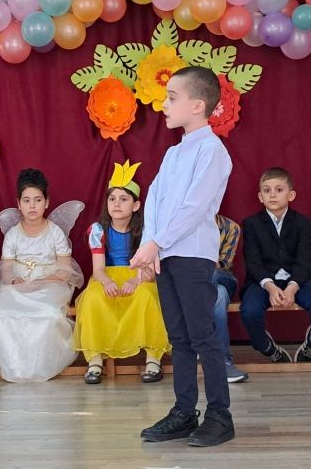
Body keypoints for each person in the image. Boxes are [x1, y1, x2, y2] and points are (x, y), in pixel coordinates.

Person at [131, 66, 235, 447]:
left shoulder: (213, 151)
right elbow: (155, 199)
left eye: (172, 97)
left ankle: (220, 415)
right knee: (179, 337)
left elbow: (195, 207)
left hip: (192, 255)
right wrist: (152, 245)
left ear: (198, 105)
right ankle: (184, 411)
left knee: (202, 335)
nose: (164, 104)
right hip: (166, 255)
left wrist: (157, 243)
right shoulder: (173, 153)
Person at [0, 168, 84, 383]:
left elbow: (64, 269)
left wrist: (44, 281)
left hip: (51, 283)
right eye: (26, 201)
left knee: (49, 314)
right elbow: (6, 268)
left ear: (46, 202)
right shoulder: (13, 234)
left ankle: (42, 365)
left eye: (38, 200)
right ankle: (16, 366)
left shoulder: (55, 232)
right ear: (18, 204)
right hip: (19, 284)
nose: (32, 206)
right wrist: (13, 280)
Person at [73, 160, 169, 384]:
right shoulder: (98, 230)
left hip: (140, 277)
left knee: (146, 297)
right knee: (93, 297)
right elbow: (98, 269)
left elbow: (150, 269)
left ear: (136, 205)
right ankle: (95, 361)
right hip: (107, 276)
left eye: (123, 199)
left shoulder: (146, 230)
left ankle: (153, 359)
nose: (116, 204)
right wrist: (107, 282)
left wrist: (135, 281)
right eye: (112, 199)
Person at [239, 167, 311, 363]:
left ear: (291, 195)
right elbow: (253, 261)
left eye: (279, 189)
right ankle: (266, 347)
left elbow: (305, 260)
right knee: (249, 310)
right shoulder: (251, 224)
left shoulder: (303, 223)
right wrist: (270, 286)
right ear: (260, 197)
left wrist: (292, 287)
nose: (272, 194)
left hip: (297, 280)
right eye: (267, 190)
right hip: (263, 282)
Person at [213, 215, 249, 383]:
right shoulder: (183, 224)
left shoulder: (230, 227)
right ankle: (224, 363)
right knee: (219, 296)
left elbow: (223, 264)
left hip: (222, 277)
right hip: (201, 286)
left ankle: (199, 339)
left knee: (212, 276)